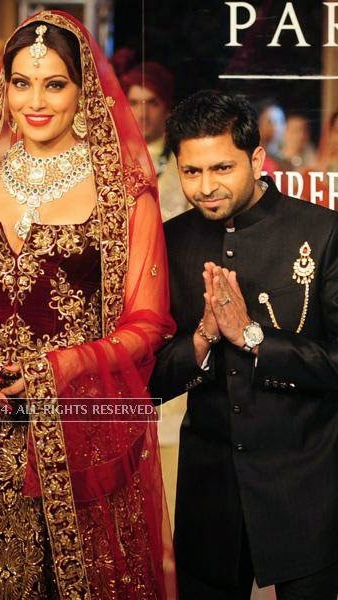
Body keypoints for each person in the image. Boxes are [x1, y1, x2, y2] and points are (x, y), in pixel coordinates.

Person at [0, 10, 177, 600]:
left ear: (83, 89)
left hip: (78, 427)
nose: (35, 100)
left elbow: (147, 324)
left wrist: (62, 365)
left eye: (54, 83)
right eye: (22, 82)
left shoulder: (122, 188)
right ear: (5, 87)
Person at [151, 90, 338, 599]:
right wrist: (204, 338)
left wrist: (253, 338)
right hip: (209, 495)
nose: (206, 188)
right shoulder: (170, 242)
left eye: (221, 169)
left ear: (256, 159)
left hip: (307, 488)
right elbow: (146, 383)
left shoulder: (321, 233)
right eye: (192, 172)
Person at [120, 61, 190, 221]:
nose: (143, 114)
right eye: (134, 103)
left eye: (152, 103)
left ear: (166, 108)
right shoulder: (110, 159)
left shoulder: (184, 159)